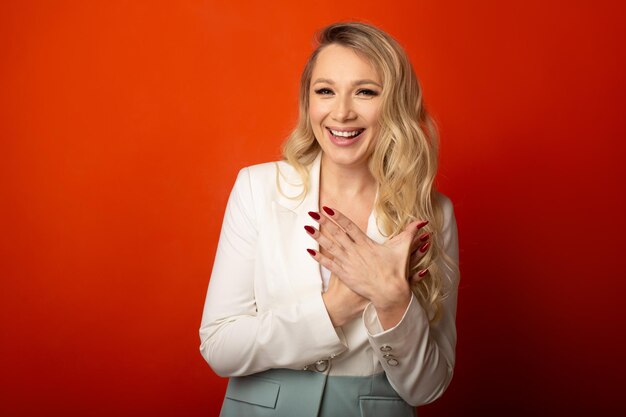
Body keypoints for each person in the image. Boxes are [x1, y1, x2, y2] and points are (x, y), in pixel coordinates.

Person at [199, 21, 460, 417]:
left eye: (366, 92)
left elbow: (428, 387)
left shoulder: (432, 214)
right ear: (309, 101)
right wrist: (333, 309)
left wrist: (392, 302)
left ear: (394, 103)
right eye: (325, 91)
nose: (341, 112)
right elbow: (219, 346)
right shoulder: (257, 188)